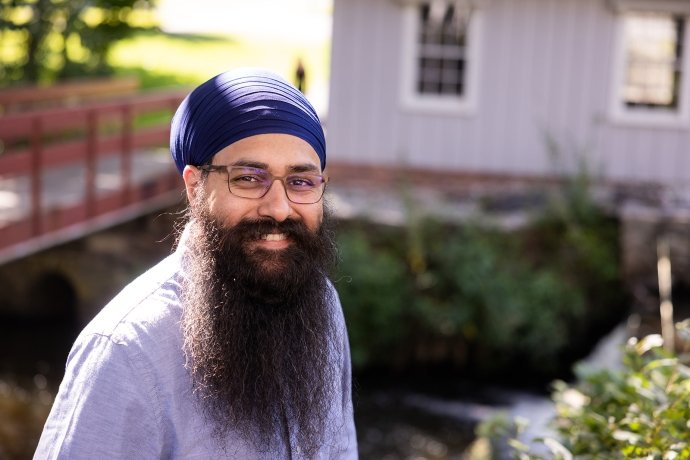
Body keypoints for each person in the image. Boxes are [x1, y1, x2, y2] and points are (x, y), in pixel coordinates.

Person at [34, 68, 358, 459]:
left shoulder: (322, 304)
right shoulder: (125, 354)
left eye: (301, 181)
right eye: (249, 178)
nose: (279, 207)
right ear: (194, 186)